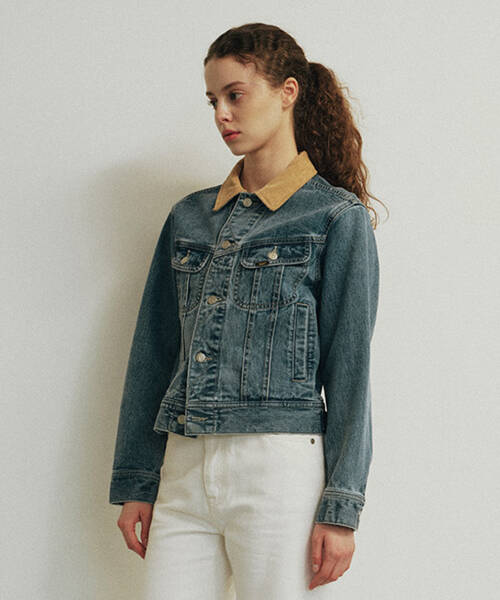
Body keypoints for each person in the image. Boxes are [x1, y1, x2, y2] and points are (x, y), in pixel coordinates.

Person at [109, 22, 385, 599]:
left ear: (288, 92)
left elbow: (350, 368)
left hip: (278, 471)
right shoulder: (189, 217)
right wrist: (138, 478)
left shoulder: (335, 217)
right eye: (213, 99)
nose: (221, 114)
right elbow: (154, 351)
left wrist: (342, 506)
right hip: (184, 467)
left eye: (235, 94)